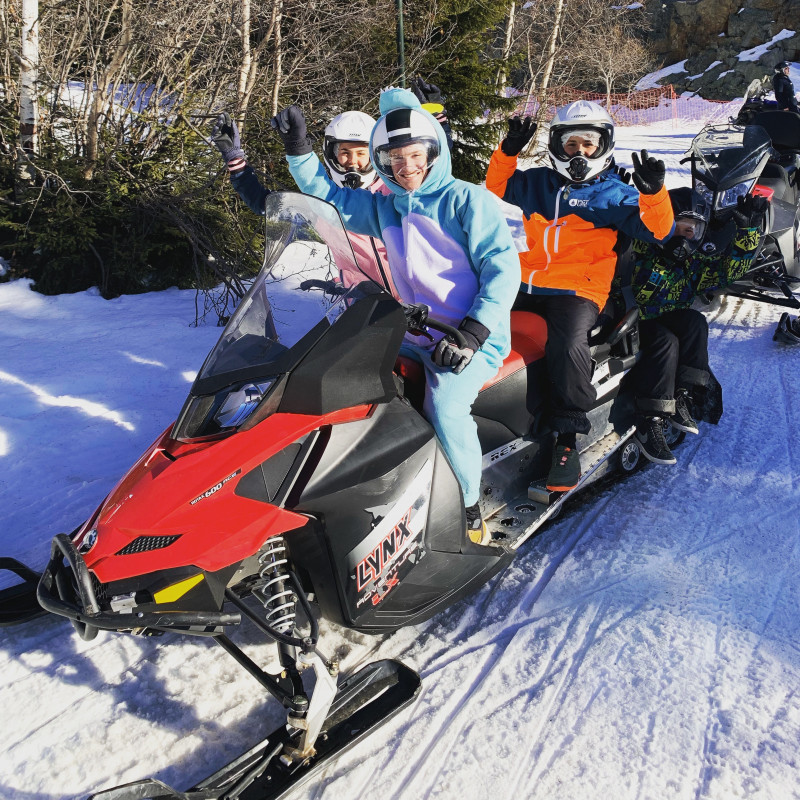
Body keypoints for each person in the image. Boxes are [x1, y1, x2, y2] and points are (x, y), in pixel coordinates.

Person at [271, 87, 520, 543]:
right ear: (382, 163)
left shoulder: (467, 200)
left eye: (416, 155)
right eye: (395, 160)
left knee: (444, 407)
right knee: (347, 378)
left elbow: (503, 271)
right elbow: (330, 198)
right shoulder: (387, 207)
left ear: (434, 151)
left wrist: (473, 332)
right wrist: (299, 152)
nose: (407, 168)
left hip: (470, 337)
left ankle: (467, 504)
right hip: (412, 331)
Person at [484, 100, 675, 492]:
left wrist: (654, 194)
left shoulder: (614, 194)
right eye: (572, 144)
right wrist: (507, 151)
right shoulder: (538, 182)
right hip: (526, 279)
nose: (580, 153)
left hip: (578, 288)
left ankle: (567, 438)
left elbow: (658, 231)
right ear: (557, 146)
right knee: (476, 322)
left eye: (589, 144)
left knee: (568, 345)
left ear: (603, 145)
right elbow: (497, 185)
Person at [210, 77, 451, 299]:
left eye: (361, 153)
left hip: (417, 306)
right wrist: (236, 162)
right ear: (330, 154)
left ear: (377, 154)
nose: (352, 161)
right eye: (344, 152)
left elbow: (432, 172)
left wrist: (435, 117)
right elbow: (266, 204)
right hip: (363, 309)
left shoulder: (394, 192)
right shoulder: (321, 200)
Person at [626, 188, 769, 463]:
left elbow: (731, 270)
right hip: (633, 318)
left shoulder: (694, 264)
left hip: (668, 317)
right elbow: (624, 232)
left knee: (694, 322)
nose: (682, 237)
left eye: (690, 231)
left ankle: (684, 395)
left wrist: (748, 230)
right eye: (675, 228)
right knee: (665, 341)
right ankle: (651, 419)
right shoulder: (642, 248)